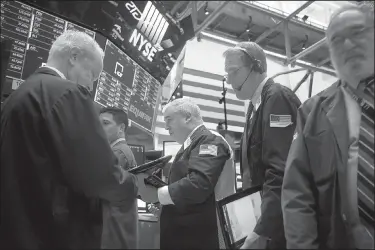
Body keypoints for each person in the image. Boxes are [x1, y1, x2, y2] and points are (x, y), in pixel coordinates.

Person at [0, 30, 127, 248]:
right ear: (74, 57)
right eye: (91, 74)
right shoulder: (68, 93)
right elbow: (99, 175)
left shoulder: (17, 96)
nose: (91, 86)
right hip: (50, 235)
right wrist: (133, 184)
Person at [282, 3, 374, 249]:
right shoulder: (312, 112)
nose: (347, 45)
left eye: (356, 33)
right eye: (336, 40)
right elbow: (297, 195)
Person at [223, 42, 301, 249]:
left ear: (256, 67)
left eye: (233, 71)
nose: (229, 80)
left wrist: (262, 229)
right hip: (268, 218)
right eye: (227, 73)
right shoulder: (254, 106)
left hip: (281, 225)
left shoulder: (277, 99)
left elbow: (280, 170)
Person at [155, 97, 235, 249]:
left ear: (187, 117)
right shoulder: (193, 143)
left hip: (205, 236)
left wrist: (158, 194)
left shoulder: (210, 140)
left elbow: (198, 184)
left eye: (169, 120)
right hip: (192, 235)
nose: (166, 127)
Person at [99, 107, 139, 249]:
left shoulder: (117, 153)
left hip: (113, 229)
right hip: (116, 227)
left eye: (105, 123)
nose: (99, 128)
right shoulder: (118, 151)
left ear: (121, 128)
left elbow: (101, 188)